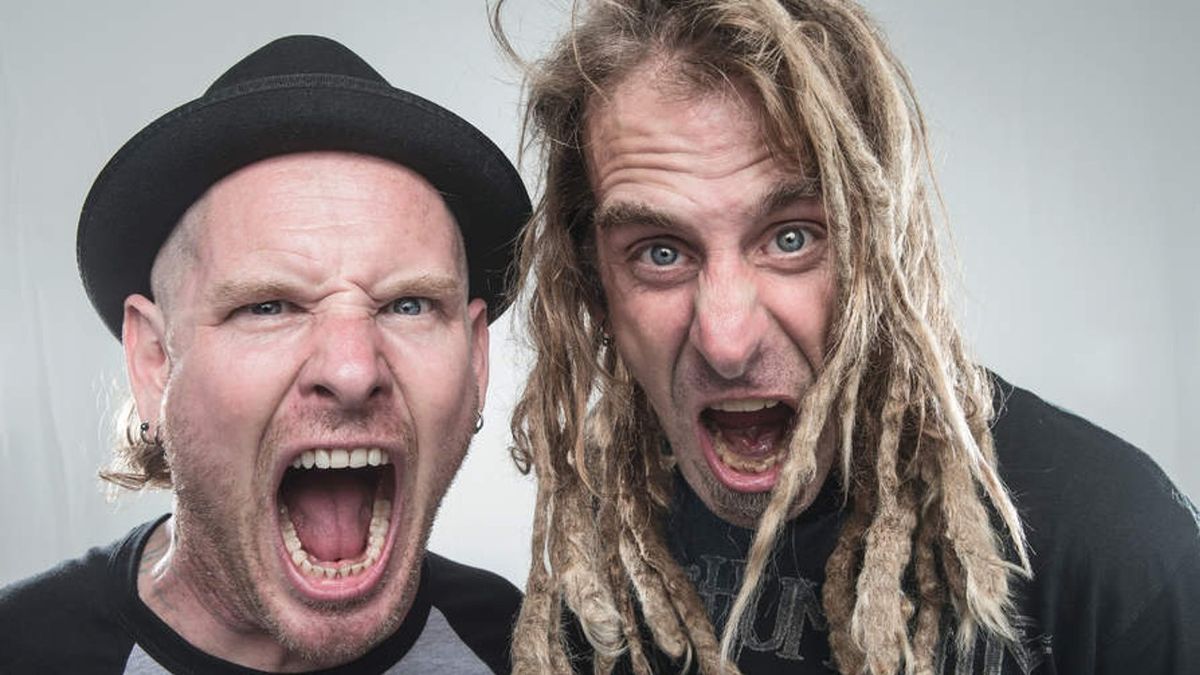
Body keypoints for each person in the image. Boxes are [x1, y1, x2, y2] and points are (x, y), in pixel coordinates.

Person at [500, 1, 1200, 673]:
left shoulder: (1111, 545)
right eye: (660, 252)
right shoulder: (596, 550)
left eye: (793, 237)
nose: (725, 340)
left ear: (880, 249)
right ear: (593, 279)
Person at [0, 35, 528, 674]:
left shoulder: (522, 647)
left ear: (475, 361)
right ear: (155, 361)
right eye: (267, 306)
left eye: (408, 305)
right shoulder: (22, 649)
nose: (353, 370)